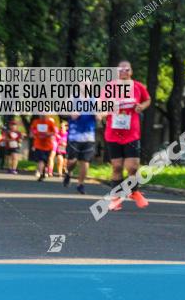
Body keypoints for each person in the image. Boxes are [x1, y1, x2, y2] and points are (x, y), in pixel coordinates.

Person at [100, 61, 151, 211]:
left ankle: (133, 192)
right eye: (120, 69)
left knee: (133, 167)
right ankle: (115, 198)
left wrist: (142, 106)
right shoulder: (109, 87)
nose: (123, 72)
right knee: (117, 167)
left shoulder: (138, 86)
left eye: (126, 69)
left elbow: (148, 99)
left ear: (131, 71)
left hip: (132, 133)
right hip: (113, 134)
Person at [64, 97, 98, 194]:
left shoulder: (95, 100)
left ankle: (80, 184)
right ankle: (69, 172)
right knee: (72, 161)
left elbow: (102, 113)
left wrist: (98, 115)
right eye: (83, 83)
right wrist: (70, 113)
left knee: (85, 161)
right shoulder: (72, 99)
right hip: (74, 137)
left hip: (89, 137)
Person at [29, 114, 57, 181]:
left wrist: (48, 134)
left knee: (45, 161)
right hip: (38, 144)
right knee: (41, 159)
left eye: (44, 115)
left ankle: (44, 172)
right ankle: (41, 173)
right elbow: (32, 130)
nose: (43, 116)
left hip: (47, 145)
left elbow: (54, 132)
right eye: (41, 115)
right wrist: (33, 134)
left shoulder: (50, 122)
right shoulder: (36, 122)